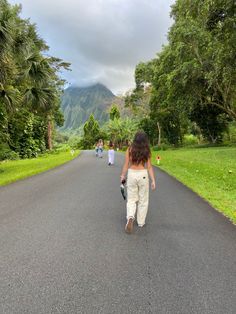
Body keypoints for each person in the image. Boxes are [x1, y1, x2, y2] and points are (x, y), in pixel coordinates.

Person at [120, 131, 156, 234]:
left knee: (131, 199)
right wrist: (153, 180)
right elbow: (149, 167)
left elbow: (126, 164)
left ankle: (130, 216)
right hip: (143, 174)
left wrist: (123, 175)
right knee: (143, 200)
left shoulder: (130, 149)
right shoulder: (147, 150)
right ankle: (141, 222)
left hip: (132, 174)